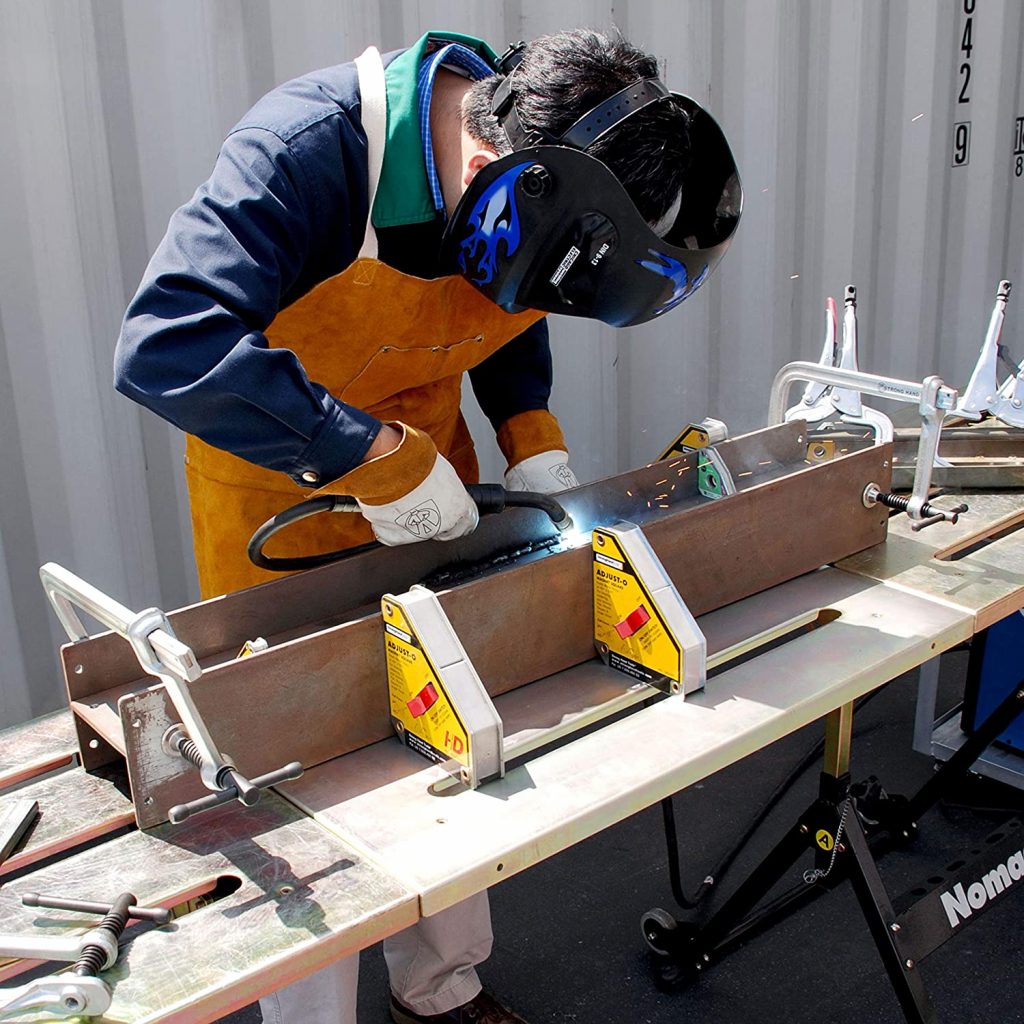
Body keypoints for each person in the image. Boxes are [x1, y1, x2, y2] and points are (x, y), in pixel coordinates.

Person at [114, 27, 741, 1024]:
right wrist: (365, 456)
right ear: (493, 174)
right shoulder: (310, 154)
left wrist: (530, 436)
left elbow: (508, 302)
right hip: (279, 488)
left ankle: (440, 989)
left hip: (431, 478)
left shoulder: (534, 170)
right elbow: (164, 340)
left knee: (453, 720)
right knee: (308, 770)